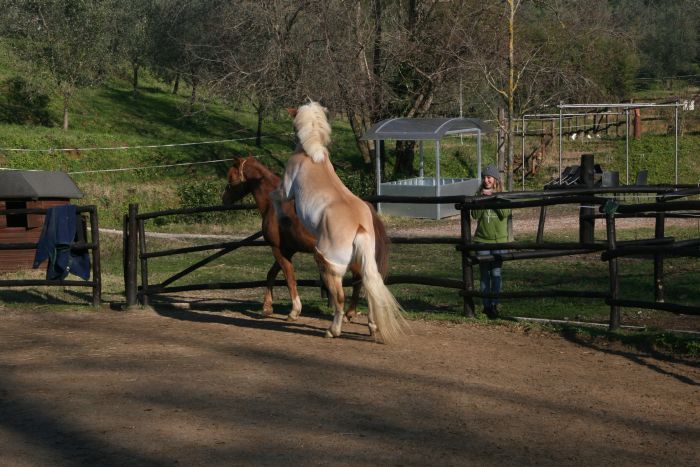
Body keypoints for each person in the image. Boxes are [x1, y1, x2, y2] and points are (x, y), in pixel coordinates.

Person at [471, 164, 510, 319]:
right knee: (484, 274)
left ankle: (494, 304)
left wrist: (494, 196)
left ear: (495, 180)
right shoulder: (478, 193)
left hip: (499, 241)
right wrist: (482, 198)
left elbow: (505, 212)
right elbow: (475, 215)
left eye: (489, 177)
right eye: (484, 177)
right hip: (481, 240)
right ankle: (486, 306)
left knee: (496, 272)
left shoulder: (503, 194)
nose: (486, 180)